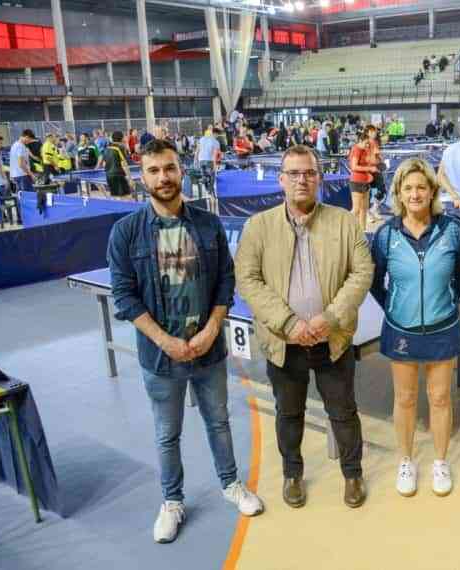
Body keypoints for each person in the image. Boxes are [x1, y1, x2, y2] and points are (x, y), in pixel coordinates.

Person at [106, 139, 264, 544]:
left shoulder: (208, 224)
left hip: (208, 349)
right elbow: (123, 296)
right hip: (160, 358)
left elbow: (225, 281)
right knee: (166, 433)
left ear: (182, 171)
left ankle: (231, 485)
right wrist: (164, 341)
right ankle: (172, 501)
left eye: (170, 168)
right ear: (143, 176)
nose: (164, 177)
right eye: (155, 170)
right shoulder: (125, 234)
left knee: (219, 422)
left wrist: (213, 329)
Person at [234, 144, 373, 509]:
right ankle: (292, 474)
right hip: (284, 342)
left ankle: (352, 473)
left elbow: (362, 273)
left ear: (320, 178)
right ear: (281, 179)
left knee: (343, 412)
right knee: (289, 413)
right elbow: (248, 280)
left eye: (309, 173)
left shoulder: (344, 222)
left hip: (334, 339)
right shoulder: (257, 227)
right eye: (294, 173)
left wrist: (329, 319)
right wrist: (289, 323)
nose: (302, 180)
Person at [369, 158, 460, 498]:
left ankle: (440, 461)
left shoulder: (452, 230)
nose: (415, 193)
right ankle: (406, 460)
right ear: (398, 193)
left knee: (440, 397)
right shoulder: (386, 235)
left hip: (443, 327)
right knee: (406, 398)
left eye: (421, 187)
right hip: (402, 329)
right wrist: (396, 307)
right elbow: (375, 281)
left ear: (432, 191)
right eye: (408, 188)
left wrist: (444, 300)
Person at [348, 129, 377, 231]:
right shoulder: (356, 149)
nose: (367, 145)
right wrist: (369, 169)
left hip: (366, 182)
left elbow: (368, 163)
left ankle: (363, 232)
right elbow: (354, 167)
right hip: (356, 182)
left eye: (369, 143)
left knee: (364, 209)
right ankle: (345, 229)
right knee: (356, 209)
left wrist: (370, 172)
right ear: (361, 140)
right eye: (366, 143)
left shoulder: (366, 150)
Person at [98, 131, 132, 197]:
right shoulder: (120, 147)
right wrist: (130, 178)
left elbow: (103, 163)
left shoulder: (107, 148)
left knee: (116, 197)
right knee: (127, 196)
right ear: (121, 138)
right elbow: (124, 164)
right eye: (124, 136)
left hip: (109, 175)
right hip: (118, 175)